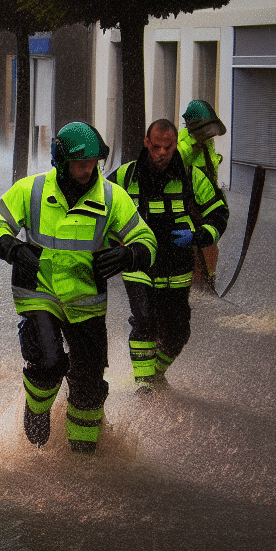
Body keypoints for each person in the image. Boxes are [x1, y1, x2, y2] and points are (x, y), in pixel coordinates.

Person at [0, 121, 156, 453]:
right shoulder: (30, 190)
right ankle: (37, 408)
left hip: (86, 302)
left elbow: (145, 240)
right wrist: (13, 248)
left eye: (93, 162)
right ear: (60, 161)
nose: (88, 169)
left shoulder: (111, 196)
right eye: (80, 162)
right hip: (38, 293)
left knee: (90, 386)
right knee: (49, 363)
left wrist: (127, 254)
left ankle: (82, 456)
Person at [106, 119, 229, 391]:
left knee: (178, 332)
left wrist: (200, 236)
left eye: (168, 147)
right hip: (139, 262)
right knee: (144, 318)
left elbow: (218, 212)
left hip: (178, 264)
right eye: (156, 146)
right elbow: (98, 211)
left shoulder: (191, 176)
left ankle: (156, 374)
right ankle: (144, 386)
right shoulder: (124, 177)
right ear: (146, 143)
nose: (161, 153)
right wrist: (115, 246)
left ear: (175, 145)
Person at [177, 100, 226, 289]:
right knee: (193, 250)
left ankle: (208, 284)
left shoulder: (208, 144)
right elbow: (174, 164)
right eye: (204, 131)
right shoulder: (182, 144)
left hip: (205, 207)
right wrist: (192, 143)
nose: (208, 135)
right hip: (188, 209)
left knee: (209, 244)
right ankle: (192, 286)